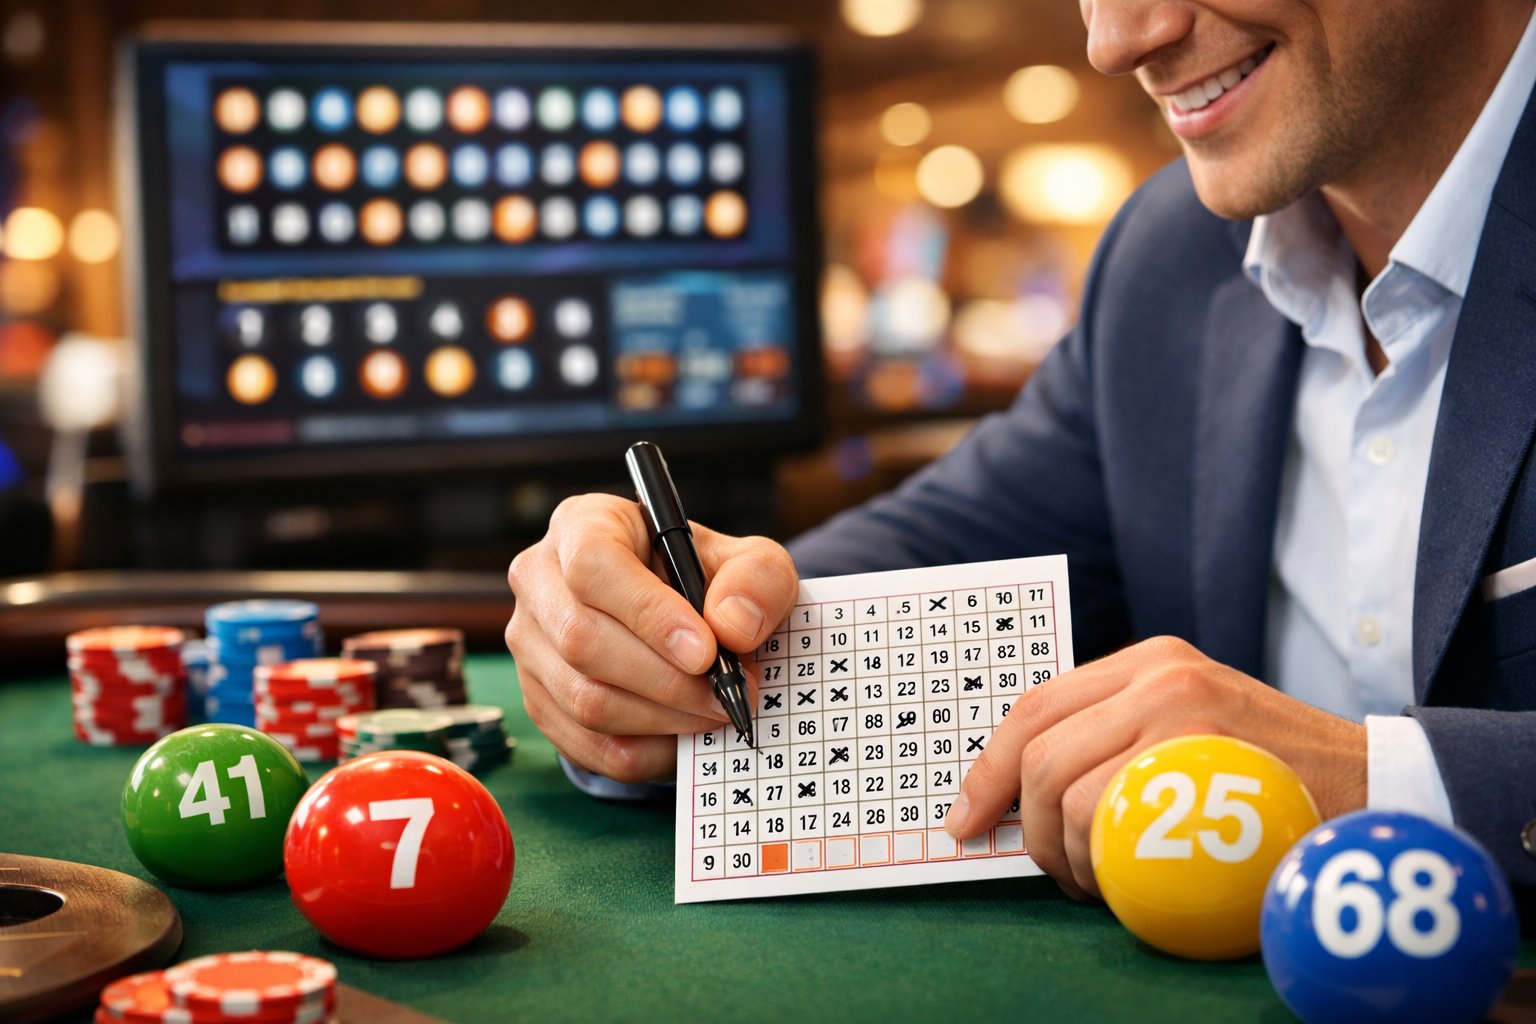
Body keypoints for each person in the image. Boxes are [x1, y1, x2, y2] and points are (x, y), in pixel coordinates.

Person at [506, 0, 1536, 900]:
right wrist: (639, 643)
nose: (1119, 36)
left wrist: (1380, 783)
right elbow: (912, 559)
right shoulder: (1166, 257)